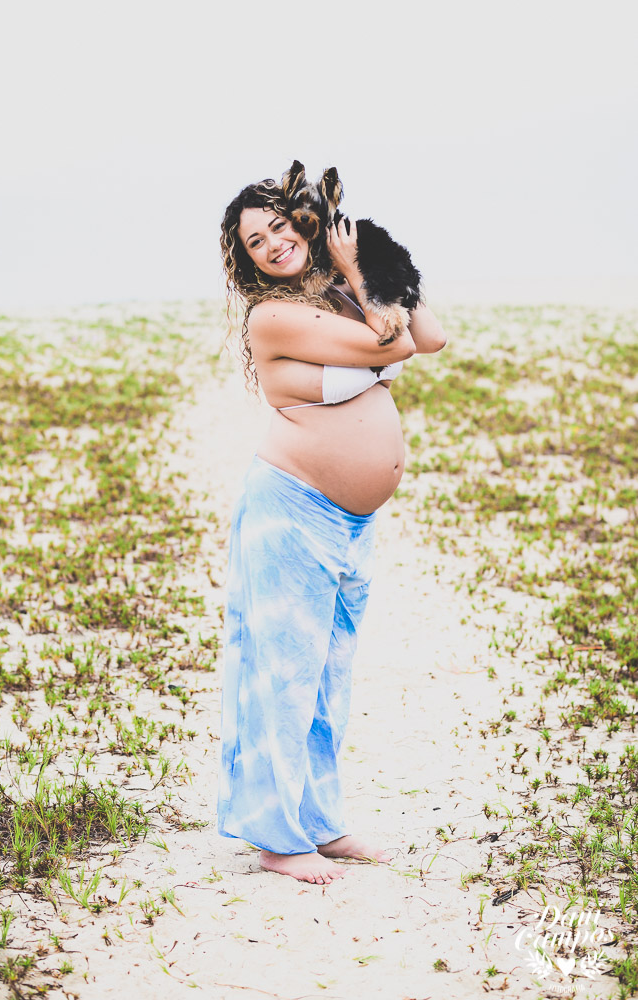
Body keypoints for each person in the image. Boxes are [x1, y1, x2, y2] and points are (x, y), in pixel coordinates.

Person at [217, 174, 446, 885]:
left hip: (349, 520)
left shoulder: (335, 295)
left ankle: (320, 822)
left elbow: (429, 334)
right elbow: (393, 350)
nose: (274, 244)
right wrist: (352, 273)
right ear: (246, 261)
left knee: (328, 675)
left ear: (307, 223)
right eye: (256, 242)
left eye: (281, 227)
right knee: (281, 673)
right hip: (293, 508)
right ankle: (274, 837)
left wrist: (372, 263)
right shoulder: (273, 315)